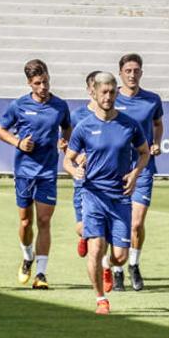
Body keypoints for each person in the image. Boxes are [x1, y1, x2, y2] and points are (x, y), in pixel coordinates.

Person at [64, 72, 150, 315]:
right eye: (104, 92)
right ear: (94, 93)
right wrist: (74, 171)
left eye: (113, 92)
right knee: (95, 247)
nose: (109, 96)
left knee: (120, 257)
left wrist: (135, 174)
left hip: (121, 197)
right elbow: (67, 161)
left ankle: (107, 266)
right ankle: (101, 299)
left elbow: (144, 153)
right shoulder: (84, 127)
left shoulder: (129, 125)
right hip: (93, 195)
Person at [0, 59, 72, 289]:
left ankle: (41, 273)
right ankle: (27, 257)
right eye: (38, 83)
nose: (43, 87)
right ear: (29, 83)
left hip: (47, 171)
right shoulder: (19, 105)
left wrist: (65, 140)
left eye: (46, 81)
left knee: (44, 221)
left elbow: (67, 127)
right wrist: (18, 143)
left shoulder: (60, 105)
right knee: (26, 221)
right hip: (24, 171)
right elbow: (0, 130)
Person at [109, 53, 163, 291]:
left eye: (136, 70)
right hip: (115, 168)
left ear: (141, 72)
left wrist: (157, 142)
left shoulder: (152, 100)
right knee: (119, 220)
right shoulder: (111, 97)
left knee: (136, 222)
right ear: (120, 73)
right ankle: (117, 270)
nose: (132, 74)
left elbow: (158, 124)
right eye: (128, 70)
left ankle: (133, 264)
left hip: (143, 167)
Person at [68, 71, 101, 259]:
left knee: (104, 228)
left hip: (106, 179)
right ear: (90, 90)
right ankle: (84, 236)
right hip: (83, 178)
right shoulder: (78, 116)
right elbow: (67, 147)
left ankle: (106, 269)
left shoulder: (114, 116)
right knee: (82, 227)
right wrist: (78, 157)